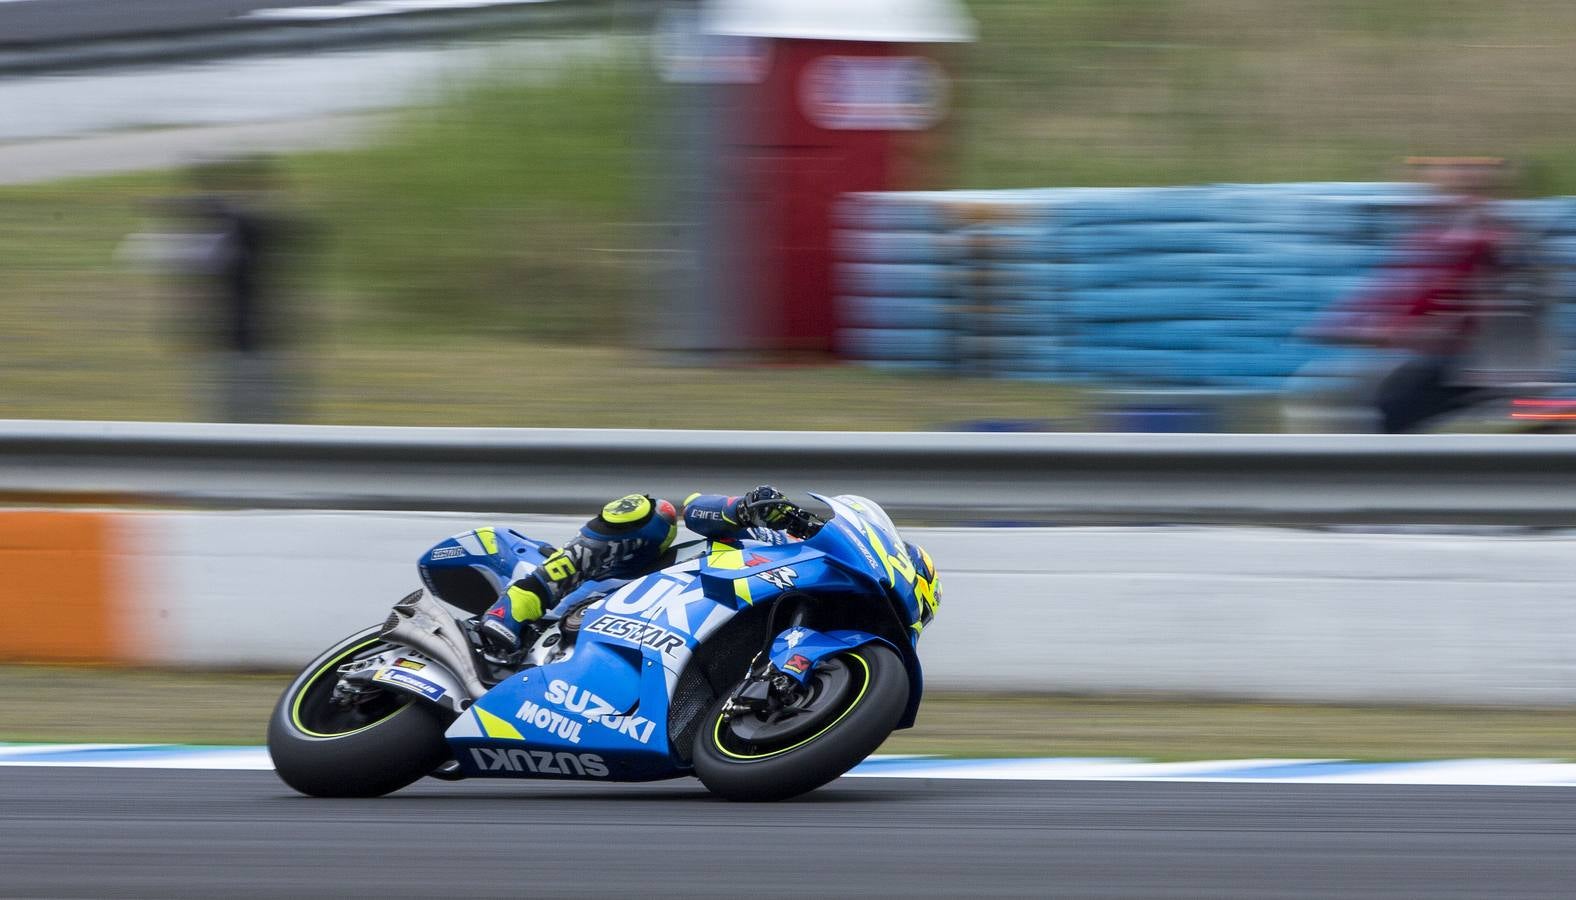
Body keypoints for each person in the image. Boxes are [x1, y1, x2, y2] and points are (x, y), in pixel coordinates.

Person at [1300, 157, 1555, 432]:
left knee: (1392, 407)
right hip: (1463, 356)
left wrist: (1391, 329)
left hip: (1476, 361)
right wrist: (1347, 322)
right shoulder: (1447, 232)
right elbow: (1394, 289)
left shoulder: (1486, 236)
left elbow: (1447, 290)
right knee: (1378, 394)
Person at [475, 486, 810, 657]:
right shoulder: (783, 537)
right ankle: (517, 604)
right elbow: (694, 508)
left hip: (682, 637)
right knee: (652, 512)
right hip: (635, 587)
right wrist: (745, 507)